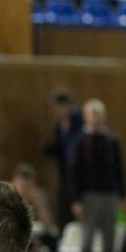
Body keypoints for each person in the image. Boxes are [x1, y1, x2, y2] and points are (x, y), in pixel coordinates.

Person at [71, 98, 126, 252]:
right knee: (87, 239)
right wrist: (76, 199)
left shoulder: (112, 140)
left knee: (109, 238)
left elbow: (120, 169)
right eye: (91, 114)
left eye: (98, 114)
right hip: (89, 196)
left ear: (104, 116)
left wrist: (123, 195)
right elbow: (75, 172)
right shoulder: (81, 141)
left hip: (110, 195)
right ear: (86, 117)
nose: (95, 118)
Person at [42, 88, 84, 227]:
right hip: (65, 175)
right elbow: (60, 148)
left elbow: (75, 147)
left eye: (57, 108)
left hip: (78, 175)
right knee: (64, 211)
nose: (55, 112)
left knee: (77, 212)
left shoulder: (79, 121)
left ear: (66, 106)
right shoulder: (61, 125)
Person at [12, 161, 58, 252]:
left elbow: (49, 225)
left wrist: (38, 202)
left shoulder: (39, 196)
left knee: (52, 239)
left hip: (35, 234)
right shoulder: (10, 197)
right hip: (17, 235)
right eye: (21, 185)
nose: (24, 188)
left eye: (28, 185)